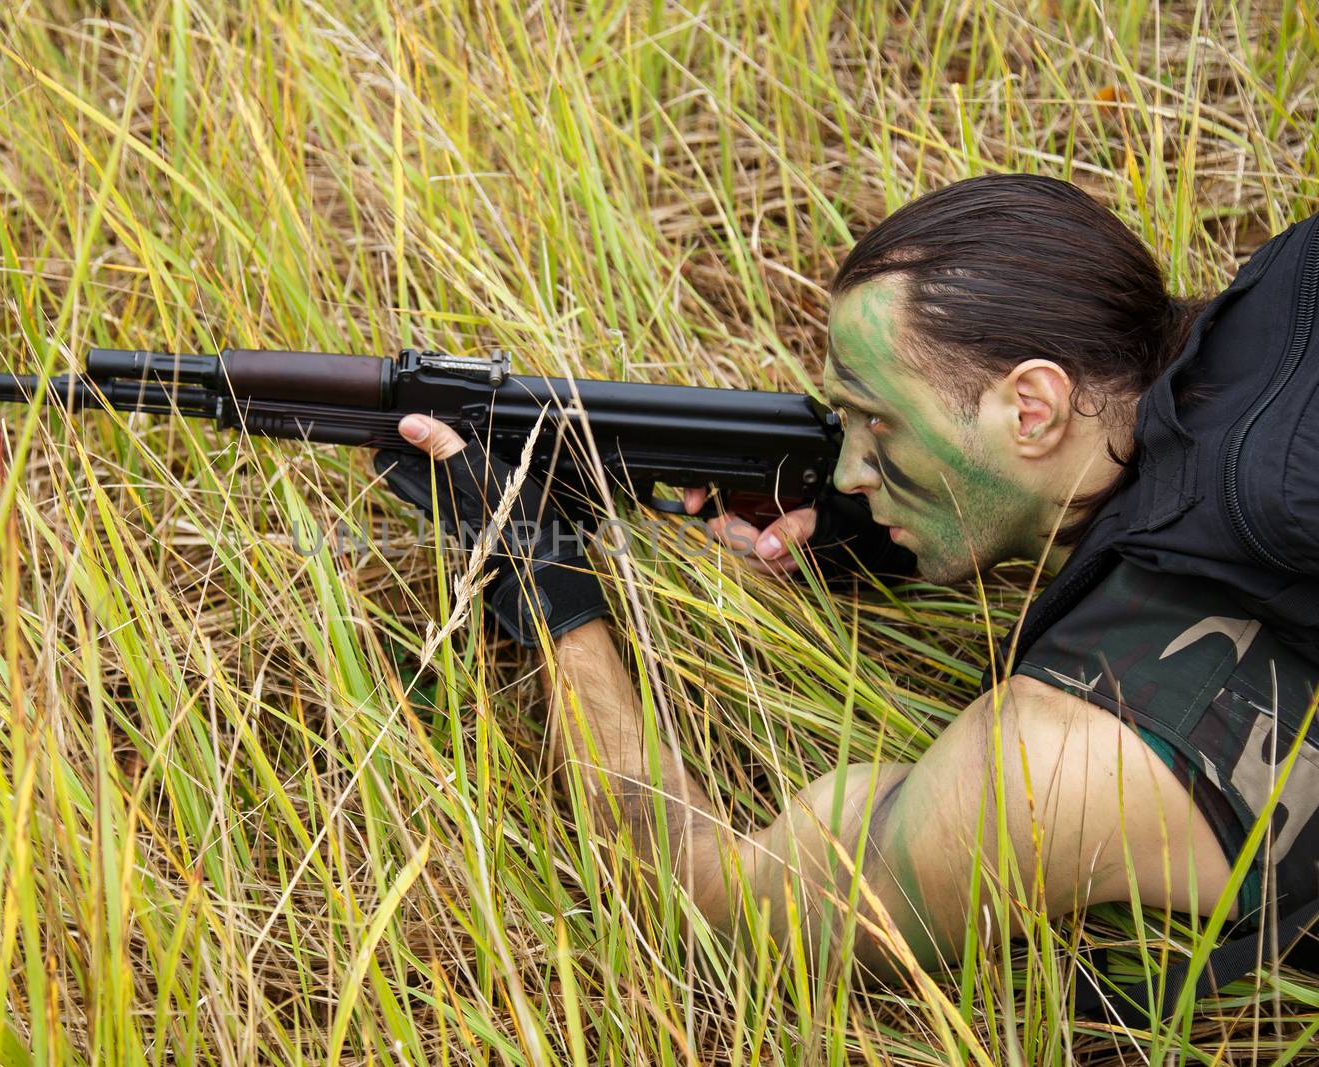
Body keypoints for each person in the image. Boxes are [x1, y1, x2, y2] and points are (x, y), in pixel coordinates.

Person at [371, 175, 1319, 999]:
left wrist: (544, 589)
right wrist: (924, 519)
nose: (853, 473)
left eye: (875, 424)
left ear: (1031, 406)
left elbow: (723, 909)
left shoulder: (1066, 761)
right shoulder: (1277, 311)